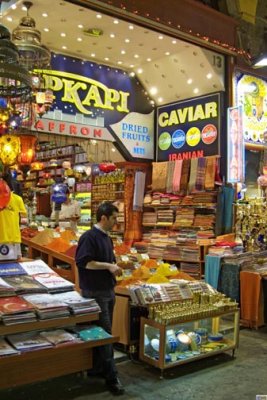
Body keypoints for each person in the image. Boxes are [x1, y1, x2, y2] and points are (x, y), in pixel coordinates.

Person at [75, 201, 124, 396]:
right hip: (95, 292)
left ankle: (97, 368)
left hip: (107, 290)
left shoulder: (107, 237)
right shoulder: (89, 237)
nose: (116, 221)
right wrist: (108, 266)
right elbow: (84, 263)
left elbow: (107, 261)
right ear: (103, 218)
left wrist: (114, 266)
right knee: (106, 335)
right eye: (114, 218)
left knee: (101, 333)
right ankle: (112, 377)